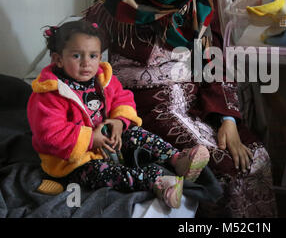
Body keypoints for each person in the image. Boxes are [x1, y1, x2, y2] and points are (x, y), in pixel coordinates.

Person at [84, 0, 277, 217]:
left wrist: (228, 121)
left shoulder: (199, 6)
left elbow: (213, 64)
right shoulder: (115, 4)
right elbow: (83, 52)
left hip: (196, 103)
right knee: (222, 167)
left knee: (255, 156)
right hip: (146, 107)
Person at [27, 20, 210, 209]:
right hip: (75, 160)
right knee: (103, 173)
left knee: (138, 133)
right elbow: (49, 135)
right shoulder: (49, 94)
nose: (86, 63)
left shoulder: (102, 78)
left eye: (93, 56)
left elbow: (123, 99)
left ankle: (176, 159)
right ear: (58, 59)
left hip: (110, 140)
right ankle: (157, 181)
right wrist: (90, 138)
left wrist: (119, 121)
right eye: (76, 56)